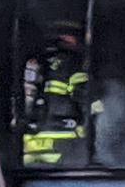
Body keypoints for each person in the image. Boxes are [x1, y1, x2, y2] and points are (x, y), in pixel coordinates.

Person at [22, 21, 89, 167]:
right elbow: (83, 96)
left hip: (32, 144)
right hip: (63, 141)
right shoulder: (72, 63)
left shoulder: (36, 62)